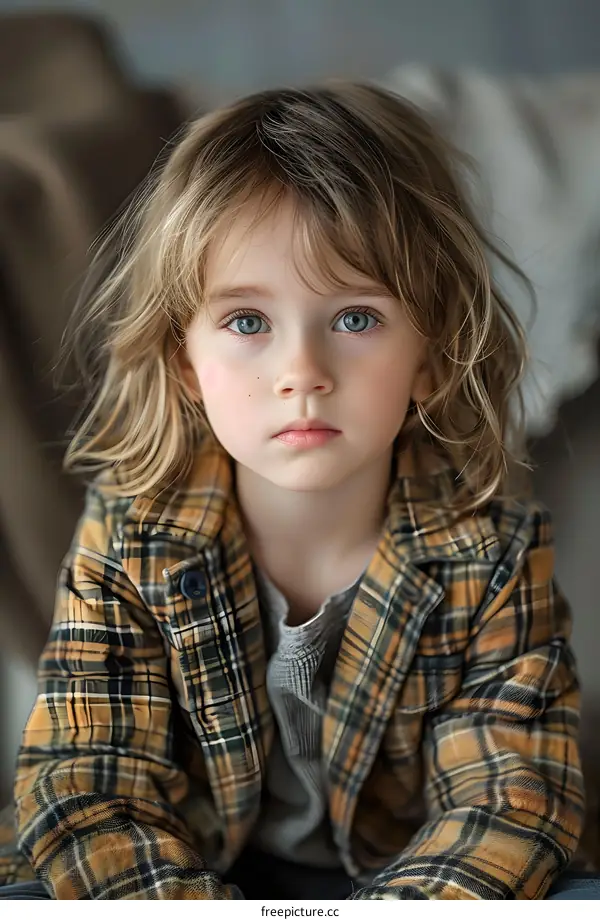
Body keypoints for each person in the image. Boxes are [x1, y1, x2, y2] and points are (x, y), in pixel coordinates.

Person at [0, 82, 595, 900]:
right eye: (248, 322)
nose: (303, 374)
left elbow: (507, 800)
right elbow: (90, 784)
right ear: (185, 362)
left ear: (430, 355)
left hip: (412, 879)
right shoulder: (131, 535)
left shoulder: (493, 551)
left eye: (355, 318)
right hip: (181, 874)